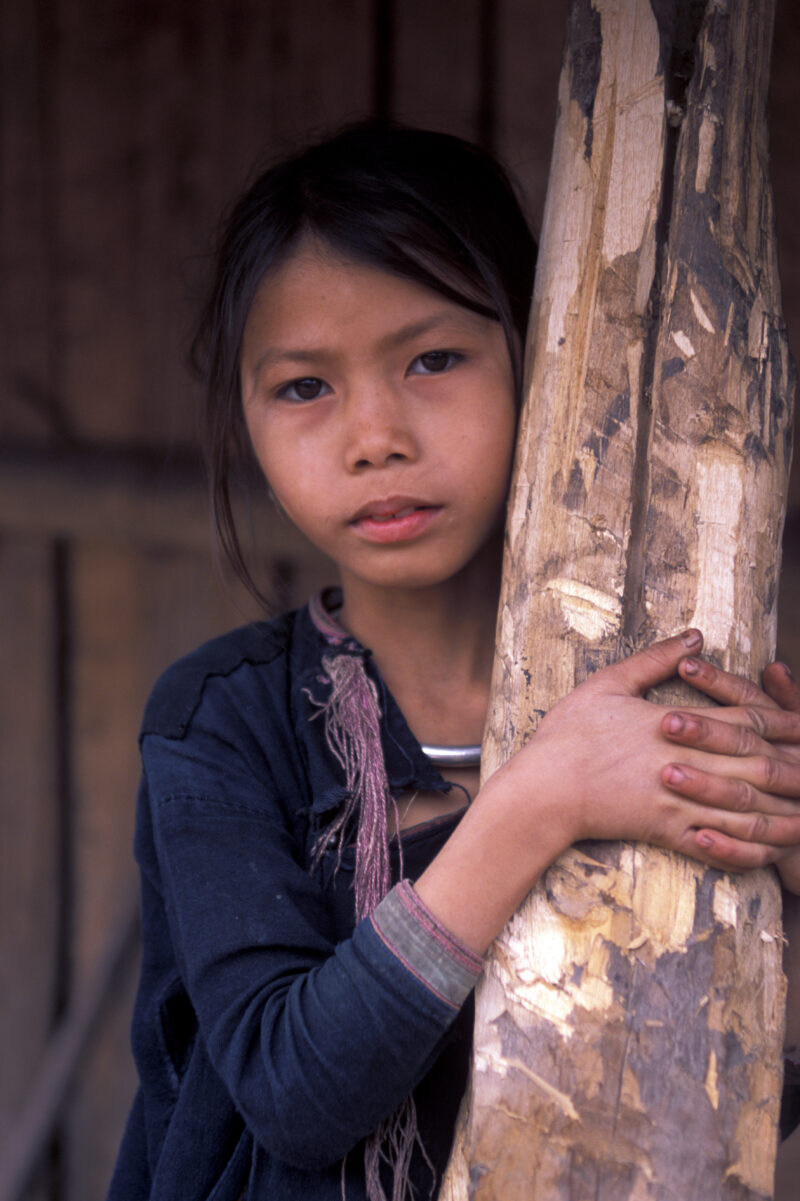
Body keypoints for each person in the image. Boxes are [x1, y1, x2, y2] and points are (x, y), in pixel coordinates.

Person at [108, 124, 800, 1201]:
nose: (374, 434)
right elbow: (294, 1094)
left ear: (544, 357)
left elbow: (729, 1097)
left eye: (432, 360)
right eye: (303, 387)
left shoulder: (656, 708)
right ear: (242, 415)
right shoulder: (222, 724)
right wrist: (537, 803)